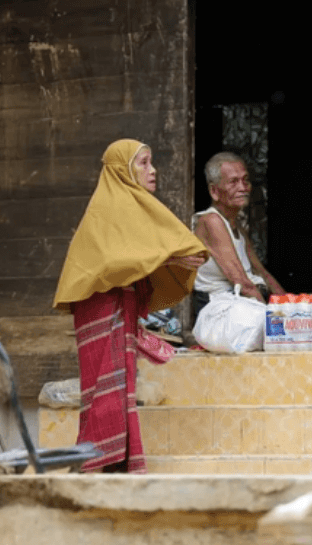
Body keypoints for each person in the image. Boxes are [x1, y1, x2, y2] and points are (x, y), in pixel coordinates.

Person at [53, 139, 208, 473]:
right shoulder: (107, 208)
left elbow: (138, 259)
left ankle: (118, 464)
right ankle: (96, 464)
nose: (153, 171)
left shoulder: (135, 206)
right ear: (121, 170)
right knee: (104, 386)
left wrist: (172, 257)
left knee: (122, 386)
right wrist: (172, 255)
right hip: (100, 308)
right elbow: (111, 263)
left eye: (152, 162)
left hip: (119, 304)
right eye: (143, 163)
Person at [191, 152, 286, 316]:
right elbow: (242, 284)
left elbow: (261, 272)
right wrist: (274, 318)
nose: (243, 188)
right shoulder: (211, 221)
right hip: (221, 309)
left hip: (244, 303)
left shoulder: (236, 225)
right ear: (214, 191)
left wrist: (291, 305)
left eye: (245, 180)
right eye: (233, 182)